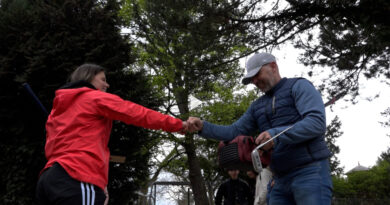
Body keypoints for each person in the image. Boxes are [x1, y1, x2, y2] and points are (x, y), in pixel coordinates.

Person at [187, 52, 333, 204]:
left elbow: (316, 122)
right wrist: (203, 126)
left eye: (257, 74)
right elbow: (233, 132)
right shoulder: (257, 106)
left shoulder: (299, 86)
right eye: (251, 79)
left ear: (273, 66)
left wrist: (274, 135)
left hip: (309, 172)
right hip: (279, 178)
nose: (255, 81)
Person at [36, 64, 189, 205]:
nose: (107, 84)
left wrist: (100, 182)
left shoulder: (57, 110)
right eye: (103, 79)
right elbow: (137, 113)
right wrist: (179, 124)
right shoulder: (93, 97)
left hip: (48, 179)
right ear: (88, 78)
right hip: (77, 175)